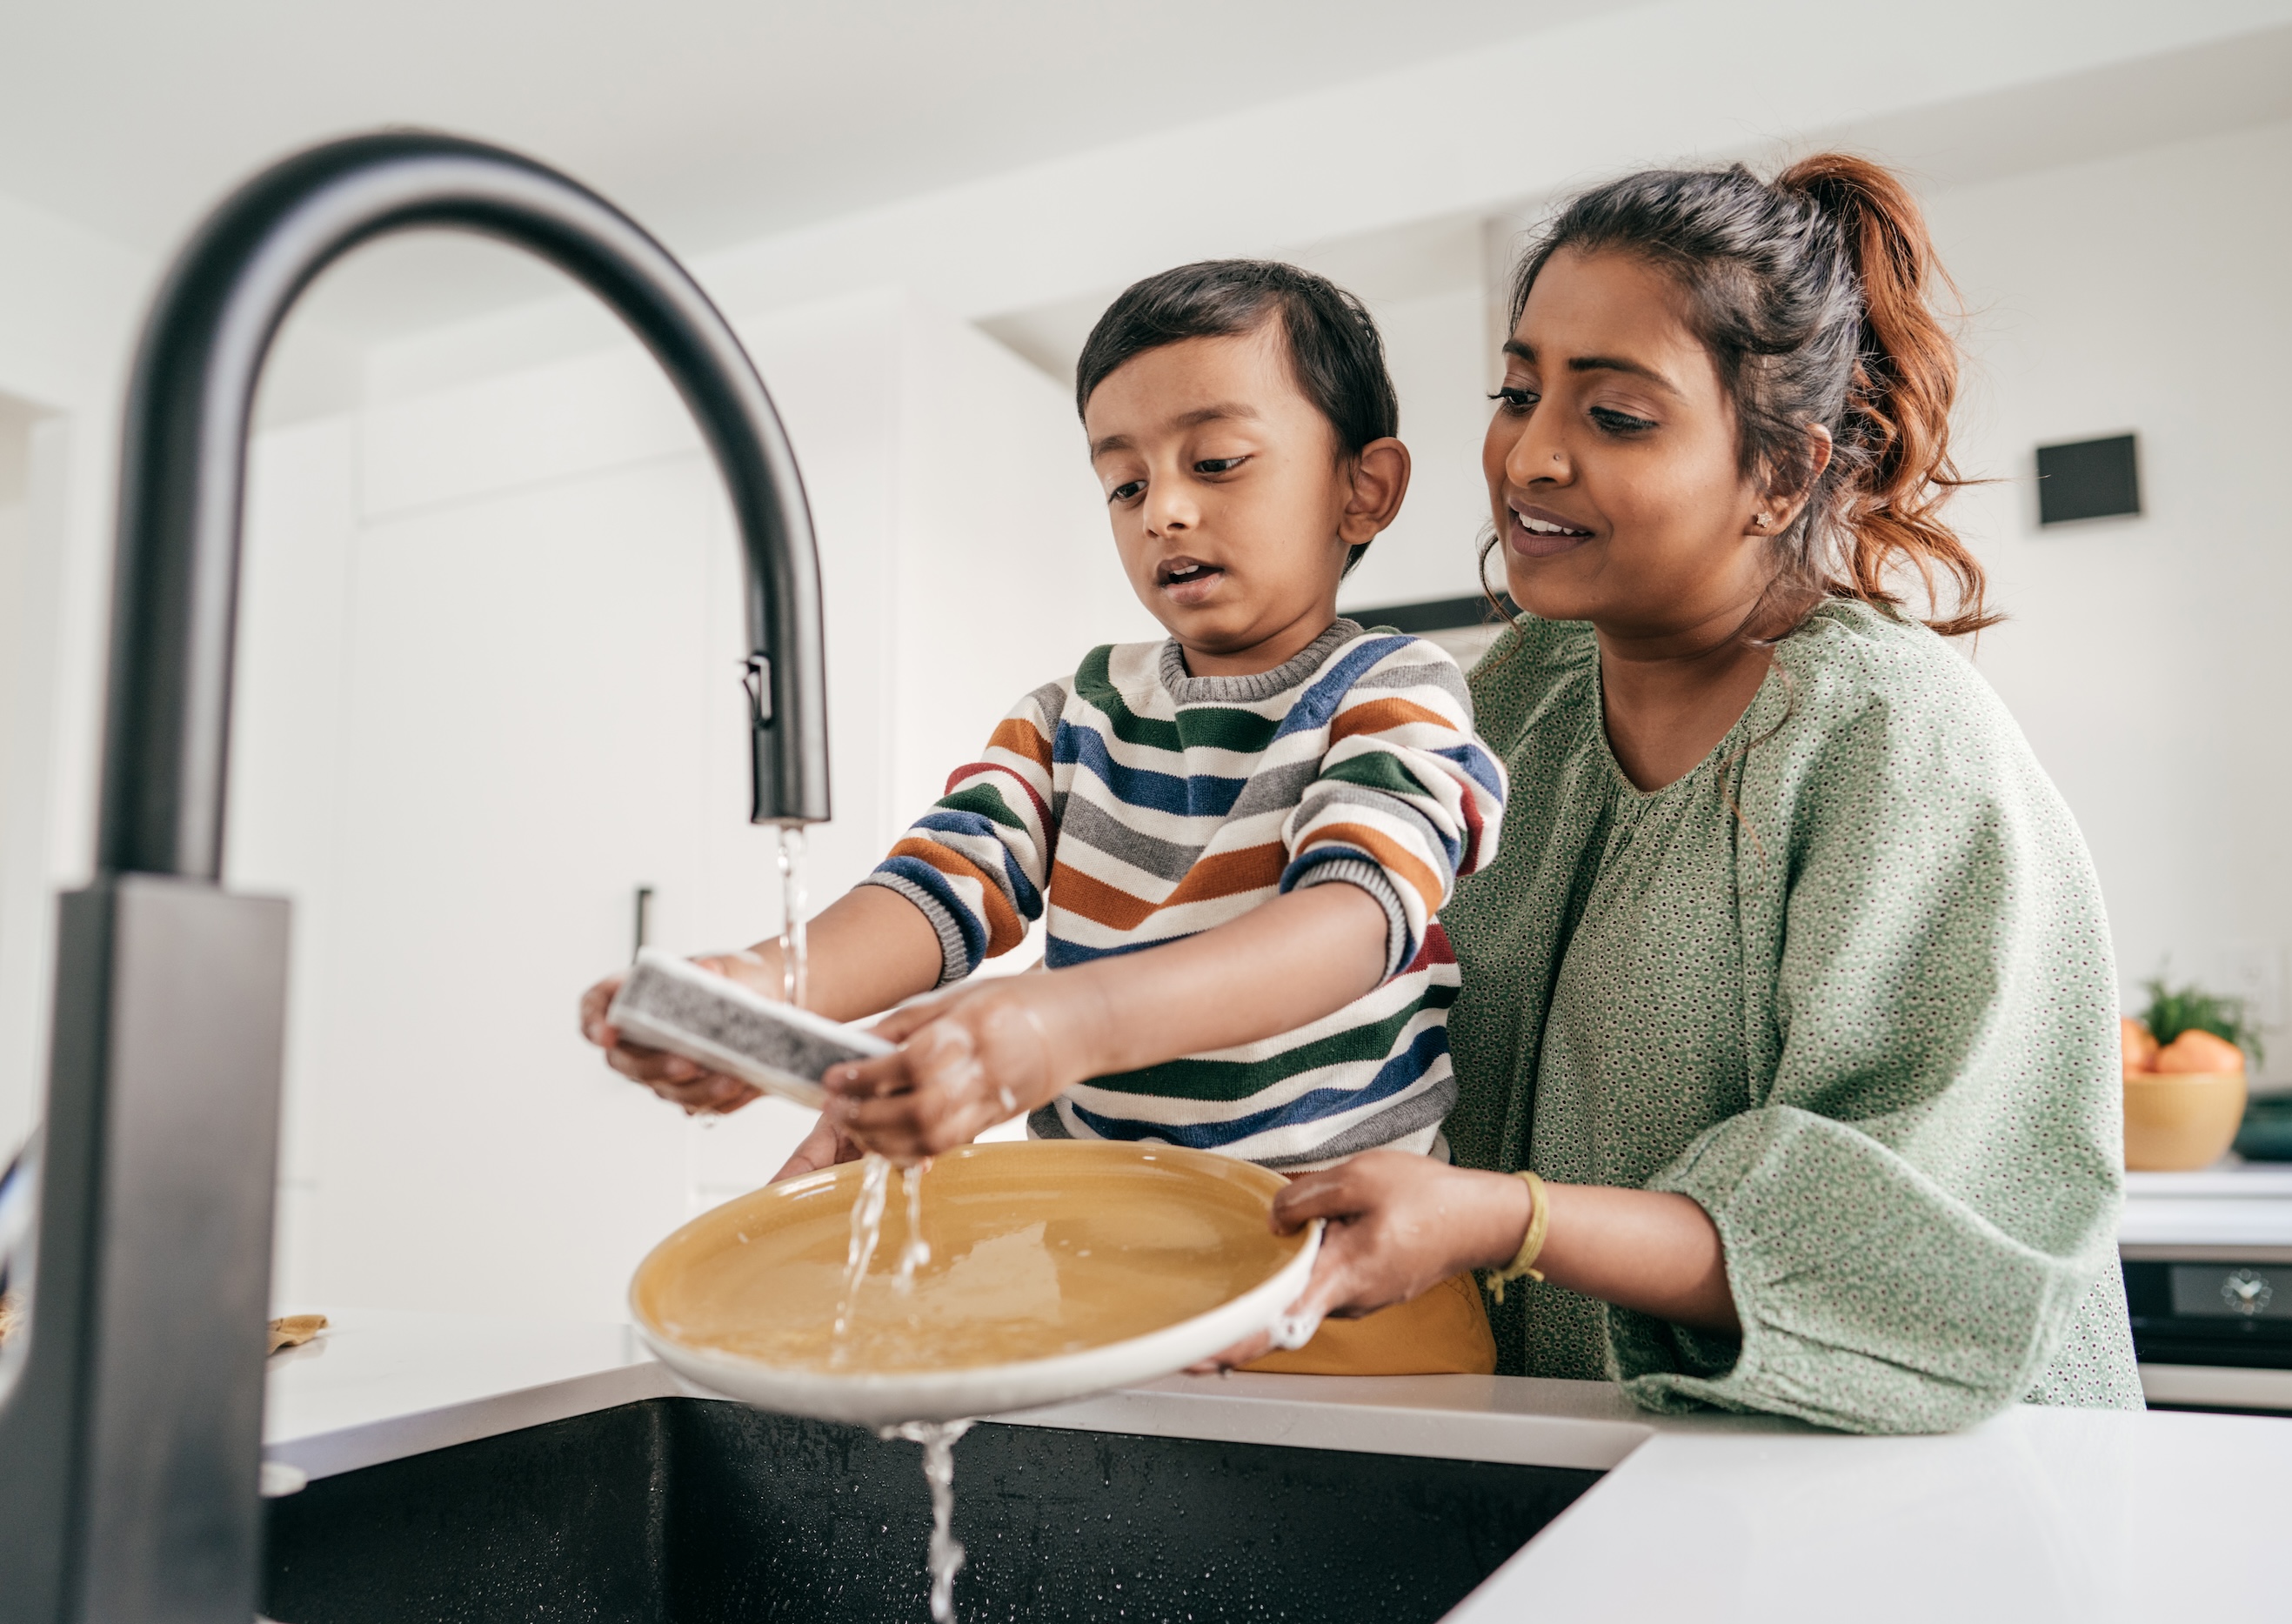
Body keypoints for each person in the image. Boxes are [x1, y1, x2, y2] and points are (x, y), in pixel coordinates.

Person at [1203, 157, 2143, 1433]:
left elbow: (1920, 1261)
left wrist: (1508, 1219)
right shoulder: (1509, 701)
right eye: (1519, 390)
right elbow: (1312, 995)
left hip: (1929, 1512)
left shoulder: (1895, 744)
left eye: (1617, 417)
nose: (1530, 455)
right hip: (1595, 1476)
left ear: (1783, 474)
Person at [581, 260, 1508, 1372]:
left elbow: (1353, 924)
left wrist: (1065, 1024)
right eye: (1124, 484)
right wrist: (764, 993)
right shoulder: (1078, 712)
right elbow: (937, 886)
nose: (1164, 508)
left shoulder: (1395, 689)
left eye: (1215, 462)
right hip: (1111, 1287)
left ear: (1364, 489)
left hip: (1351, 1292)